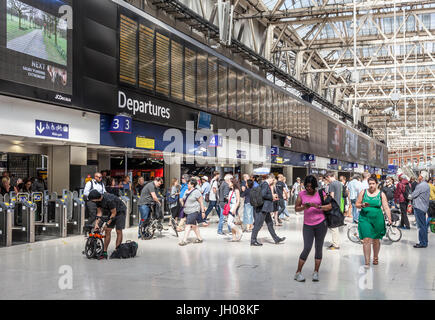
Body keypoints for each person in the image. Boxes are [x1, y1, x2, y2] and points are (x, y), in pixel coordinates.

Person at [294, 175, 332, 282]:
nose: (308, 188)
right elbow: (296, 208)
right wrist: (303, 207)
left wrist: (318, 207)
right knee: (307, 248)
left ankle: (316, 272)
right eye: (307, 186)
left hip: (321, 224)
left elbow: (329, 206)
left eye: (310, 186)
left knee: (318, 247)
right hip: (308, 225)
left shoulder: (321, 193)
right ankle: (298, 272)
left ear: (315, 186)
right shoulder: (301, 194)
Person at [355, 176, 392, 268]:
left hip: (377, 218)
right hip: (365, 218)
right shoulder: (363, 192)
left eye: (373, 184)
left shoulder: (381, 194)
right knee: (366, 239)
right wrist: (362, 205)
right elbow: (357, 204)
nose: (371, 185)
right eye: (370, 184)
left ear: (377, 184)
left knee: (376, 240)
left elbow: (386, 207)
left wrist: (389, 218)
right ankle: (367, 262)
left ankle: (375, 257)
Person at [88, 190, 126, 259]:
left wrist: (107, 224)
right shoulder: (97, 201)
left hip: (120, 211)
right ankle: (104, 252)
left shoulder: (109, 200)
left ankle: (117, 250)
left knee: (118, 230)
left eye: (92, 200)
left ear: (96, 198)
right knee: (107, 230)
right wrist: (96, 224)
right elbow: (99, 213)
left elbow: (114, 213)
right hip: (111, 212)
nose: (92, 202)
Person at [250, 174, 286, 246]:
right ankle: (253, 240)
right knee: (258, 224)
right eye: (273, 180)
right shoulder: (265, 184)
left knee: (270, 224)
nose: (273, 181)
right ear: (270, 178)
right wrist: (271, 197)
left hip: (265, 208)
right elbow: (263, 195)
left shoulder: (263, 183)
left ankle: (276, 238)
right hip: (263, 208)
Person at [178, 178, 206, 246]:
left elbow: (201, 202)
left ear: (193, 185)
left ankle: (184, 240)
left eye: (189, 184)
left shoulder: (196, 192)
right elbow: (183, 199)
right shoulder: (186, 191)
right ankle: (200, 238)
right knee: (194, 226)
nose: (187, 184)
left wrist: (202, 212)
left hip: (194, 211)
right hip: (187, 211)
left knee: (188, 225)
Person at [411, 171, 431, 248]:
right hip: (423, 207)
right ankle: (424, 241)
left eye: (419, 175)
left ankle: (422, 243)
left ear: (422, 177)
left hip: (419, 207)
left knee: (421, 226)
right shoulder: (426, 185)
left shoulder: (421, 185)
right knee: (423, 225)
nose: (418, 176)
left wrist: (409, 196)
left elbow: (413, 195)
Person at [325, 171, 343, 250]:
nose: (327, 180)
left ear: (329, 177)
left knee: (333, 226)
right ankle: (335, 242)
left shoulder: (332, 184)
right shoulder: (339, 183)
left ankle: (335, 244)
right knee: (335, 226)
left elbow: (331, 196)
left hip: (333, 206)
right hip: (338, 205)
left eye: (326, 179)